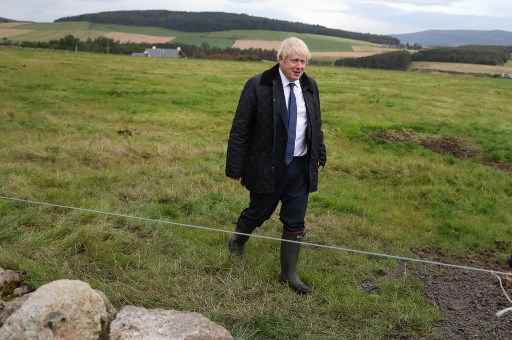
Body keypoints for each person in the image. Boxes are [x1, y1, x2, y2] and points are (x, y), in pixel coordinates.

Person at [225, 37, 326, 294]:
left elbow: (315, 123)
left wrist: (319, 152)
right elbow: (240, 129)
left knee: (295, 220)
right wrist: (234, 166)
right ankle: (237, 242)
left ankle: (289, 274)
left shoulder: (310, 86)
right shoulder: (258, 85)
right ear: (280, 59)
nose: (300, 66)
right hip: (267, 167)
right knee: (258, 211)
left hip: (300, 168)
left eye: (303, 61)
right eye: (294, 60)